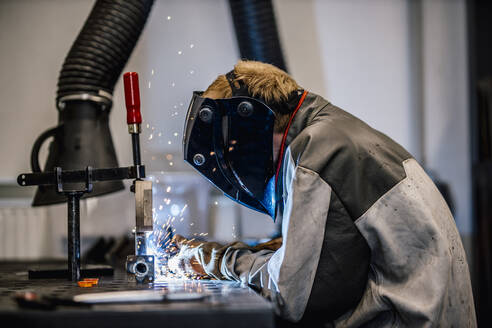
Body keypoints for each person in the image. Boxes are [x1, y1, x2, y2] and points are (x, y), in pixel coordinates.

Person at [172, 60, 476, 327]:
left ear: (249, 127)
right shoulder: (333, 132)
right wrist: (248, 253)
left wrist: (222, 262)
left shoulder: (317, 153)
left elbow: (293, 298)